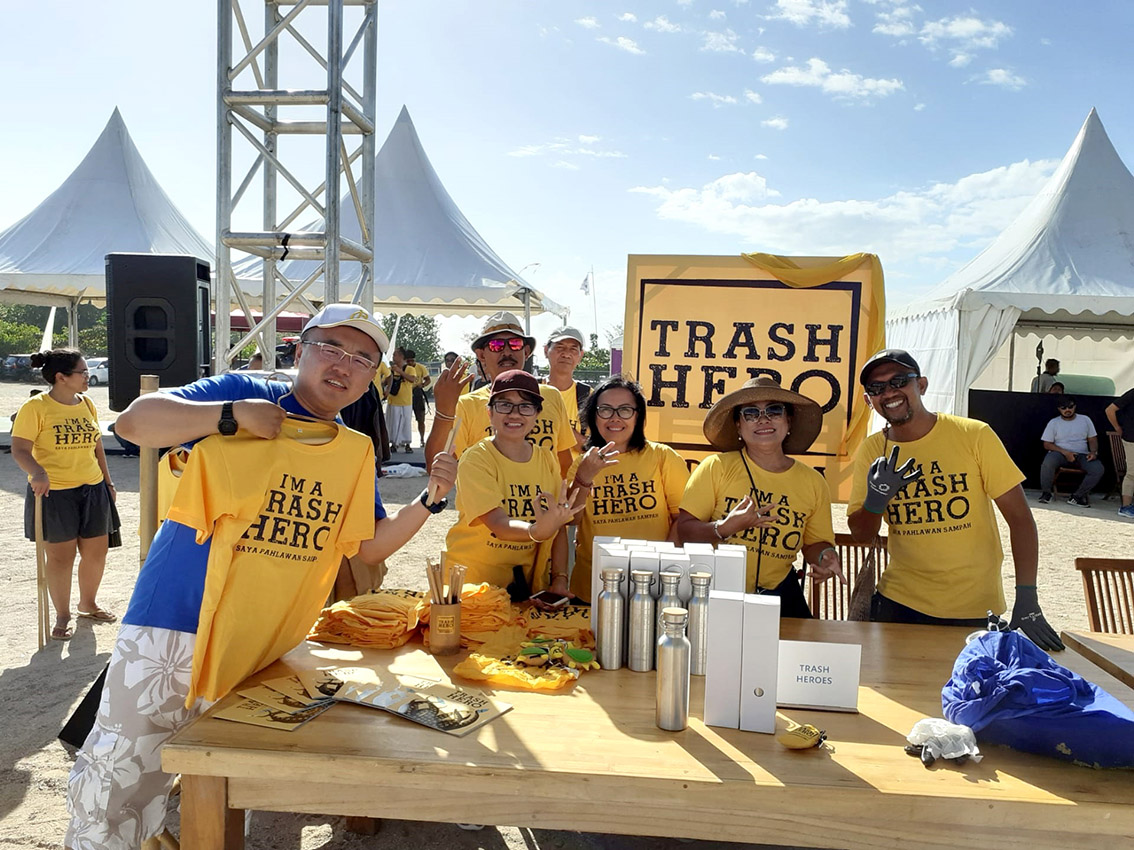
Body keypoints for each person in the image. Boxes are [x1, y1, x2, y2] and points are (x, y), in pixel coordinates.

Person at [65, 304, 458, 850]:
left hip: (264, 641)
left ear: (373, 376)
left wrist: (430, 501)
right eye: (331, 347)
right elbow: (134, 424)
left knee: (223, 774)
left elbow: (368, 543)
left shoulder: (352, 449)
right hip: (172, 621)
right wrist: (230, 416)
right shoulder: (246, 391)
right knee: (119, 772)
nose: (344, 364)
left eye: (363, 358)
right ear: (301, 350)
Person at [846, 349, 1063, 650]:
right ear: (869, 400)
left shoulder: (973, 435)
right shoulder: (873, 451)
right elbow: (861, 534)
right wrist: (876, 499)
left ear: (921, 385)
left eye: (899, 381)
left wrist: (1027, 595)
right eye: (877, 387)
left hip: (975, 609)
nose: (889, 392)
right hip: (899, 605)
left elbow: (1020, 519)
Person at [676, 376, 843, 617]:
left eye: (774, 411)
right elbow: (685, 530)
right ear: (738, 426)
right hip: (714, 594)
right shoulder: (716, 467)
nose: (763, 419)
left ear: (788, 421)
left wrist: (825, 556)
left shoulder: (814, 482)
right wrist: (724, 528)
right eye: (751, 413)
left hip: (780, 596)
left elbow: (815, 543)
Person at [442, 370, 583, 598]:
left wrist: (559, 579)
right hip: (472, 586)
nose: (515, 414)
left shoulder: (547, 459)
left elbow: (557, 527)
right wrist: (536, 530)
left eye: (525, 406)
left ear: (537, 415)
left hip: (523, 587)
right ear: (489, 413)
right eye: (505, 405)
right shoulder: (475, 459)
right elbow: (498, 524)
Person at [11, 349, 116, 640]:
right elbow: (20, 449)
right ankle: (62, 614)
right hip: (54, 492)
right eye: (83, 372)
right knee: (61, 558)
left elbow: (97, 447)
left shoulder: (87, 404)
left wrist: (108, 484)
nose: (88, 377)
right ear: (61, 377)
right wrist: (37, 472)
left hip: (93, 488)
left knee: (96, 553)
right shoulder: (35, 407)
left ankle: (88, 604)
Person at [568, 376, 689, 602]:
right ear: (594, 416)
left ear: (638, 416)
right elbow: (572, 519)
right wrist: (584, 477)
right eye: (605, 410)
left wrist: (662, 564)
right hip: (594, 586)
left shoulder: (662, 456)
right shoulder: (582, 463)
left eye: (625, 410)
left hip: (651, 584)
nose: (615, 418)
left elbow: (682, 519)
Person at [425, 311, 575, 476]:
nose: (507, 352)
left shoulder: (551, 397)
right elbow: (436, 469)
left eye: (515, 344)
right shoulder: (467, 406)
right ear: (481, 355)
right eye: (496, 345)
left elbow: (564, 465)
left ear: (526, 352)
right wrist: (443, 412)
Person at [1038, 396, 1104, 507]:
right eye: (1063, 408)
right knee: (1048, 462)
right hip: (1060, 453)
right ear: (1059, 409)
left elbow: (1092, 439)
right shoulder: (1054, 423)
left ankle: (1077, 497)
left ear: (1075, 406)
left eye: (1070, 407)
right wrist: (1065, 452)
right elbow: (1047, 444)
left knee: (1098, 469)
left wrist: (1093, 452)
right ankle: (1046, 493)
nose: (1067, 410)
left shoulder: (1085, 420)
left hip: (1082, 454)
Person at [542, 326, 592, 454]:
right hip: (536, 467)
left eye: (573, 349)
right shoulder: (531, 390)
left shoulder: (589, 396)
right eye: (560, 348)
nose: (566, 354)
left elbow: (590, 449)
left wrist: (560, 425)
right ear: (546, 351)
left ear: (580, 355)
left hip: (576, 468)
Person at [1105, 388, 1134, 518]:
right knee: (1132, 473)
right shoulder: (1133, 393)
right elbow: (1110, 410)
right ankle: (1125, 507)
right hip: (1132, 439)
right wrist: (1117, 428)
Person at [386, 346, 414, 453]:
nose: (393, 357)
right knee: (393, 422)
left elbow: (412, 379)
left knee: (406, 422)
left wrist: (400, 372)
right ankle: (393, 443)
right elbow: (385, 381)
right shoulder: (390, 369)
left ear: (401, 356)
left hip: (406, 401)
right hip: (393, 400)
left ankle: (407, 443)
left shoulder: (410, 369)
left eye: (395, 355)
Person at [404, 348, 432, 448]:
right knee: (405, 419)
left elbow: (428, 380)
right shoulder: (403, 368)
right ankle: (404, 440)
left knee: (420, 418)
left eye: (412, 360)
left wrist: (422, 385)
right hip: (405, 394)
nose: (410, 363)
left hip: (417, 393)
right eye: (408, 361)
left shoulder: (420, 367)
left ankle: (422, 439)